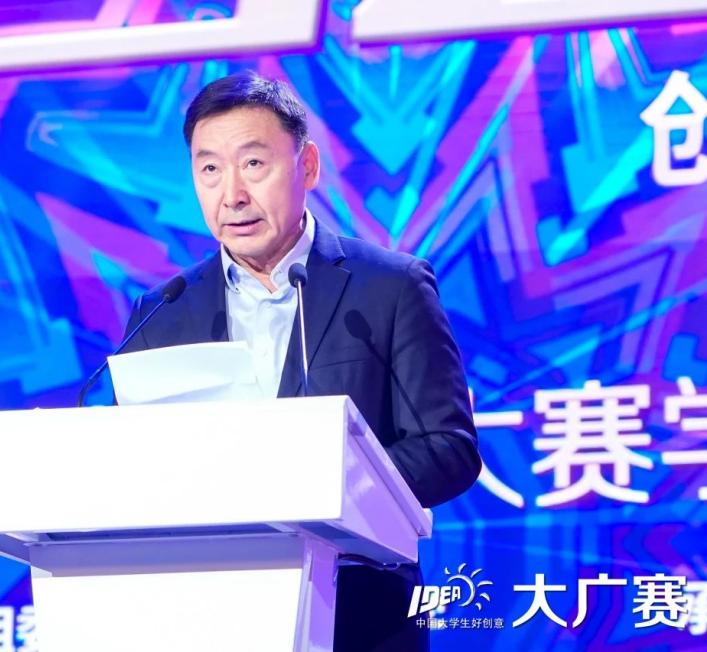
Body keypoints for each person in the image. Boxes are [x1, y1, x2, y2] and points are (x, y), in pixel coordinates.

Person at [119, 70, 481, 652]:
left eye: (253, 164)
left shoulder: (390, 287)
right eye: (209, 169)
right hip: (203, 613)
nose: (232, 194)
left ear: (307, 166)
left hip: (361, 616)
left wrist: (325, 487)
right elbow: (130, 462)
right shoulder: (162, 311)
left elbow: (449, 449)